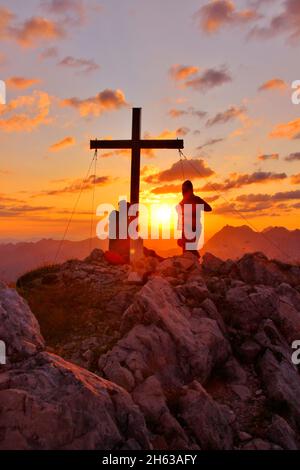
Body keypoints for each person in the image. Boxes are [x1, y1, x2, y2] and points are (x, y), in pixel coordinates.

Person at [177, 180, 212, 258]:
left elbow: (180, 220)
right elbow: (209, 208)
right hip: (192, 230)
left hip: (191, 230)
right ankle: (195, 263)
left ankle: (195, 263)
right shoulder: (195, 200)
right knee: (188, 251)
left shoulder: (183, 203)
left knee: (188, 252)